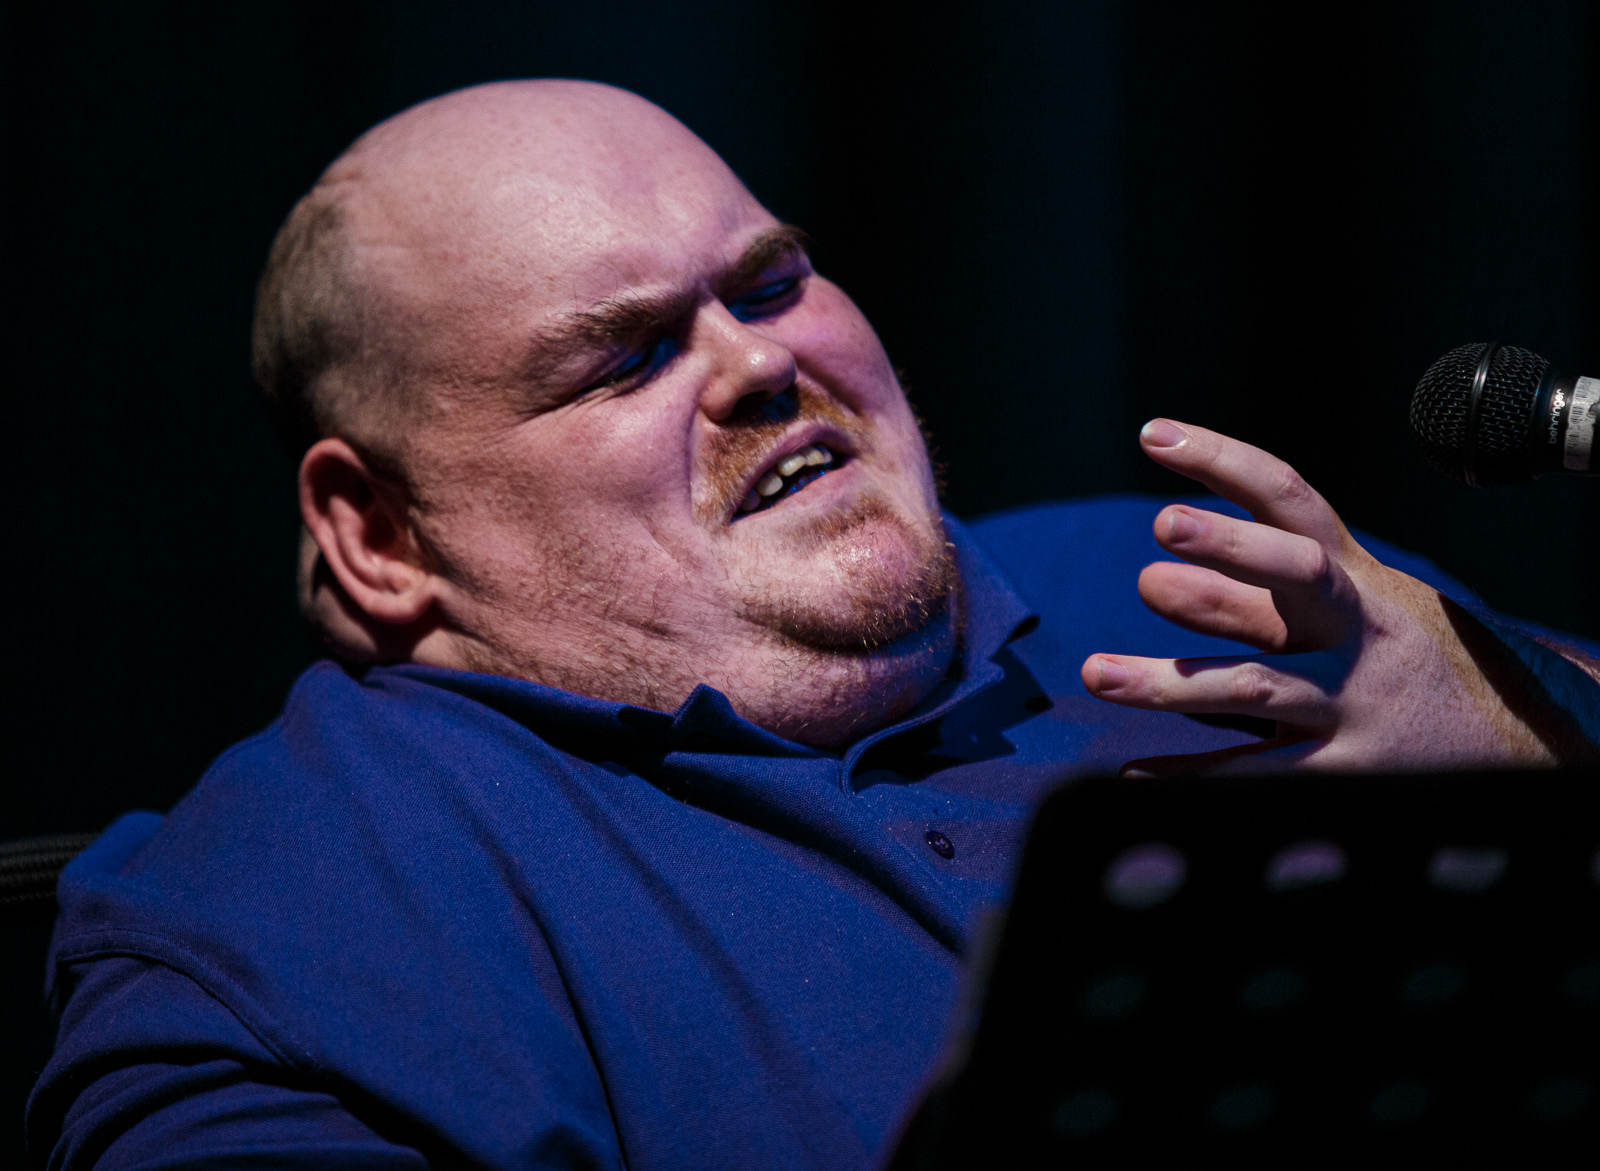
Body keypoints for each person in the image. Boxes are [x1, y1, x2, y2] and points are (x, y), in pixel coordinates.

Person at [29, 80, 1599, 1169]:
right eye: (625, 357)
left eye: (771, 280)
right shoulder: (276, 916)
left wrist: (1536, 724)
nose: (756, 363)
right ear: (378, 533)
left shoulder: (1179, 567)